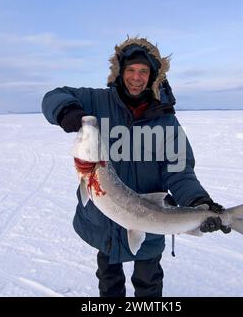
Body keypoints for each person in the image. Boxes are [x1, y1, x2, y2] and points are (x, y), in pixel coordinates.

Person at [42, 37, 231, 297]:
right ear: (120, 72)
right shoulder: (97, 101)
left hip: (152, 216)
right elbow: (53, 96)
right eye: (130, 70)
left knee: (149, 283)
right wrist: (67, 110)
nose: (136, 77)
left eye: (143, 71)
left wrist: (199, 201)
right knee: (109, 284)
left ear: (153, 76)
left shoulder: (165, 121)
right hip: (105, 221)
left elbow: (179, 170)